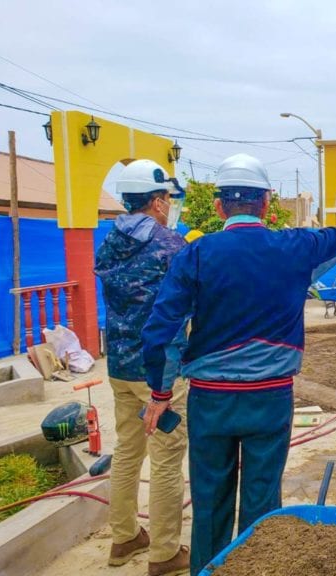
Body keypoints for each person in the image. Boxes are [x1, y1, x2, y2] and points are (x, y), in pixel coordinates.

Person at [140, 153, 336, 576]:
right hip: (271, 398)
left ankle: (207, 569)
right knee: (263, 500)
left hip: (211, 402)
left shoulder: (195, 254)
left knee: (209, 500)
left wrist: (160, 393)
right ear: (266, 204)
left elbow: (160, 330)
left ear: (219, 207)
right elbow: (335, 237)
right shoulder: (295, 247)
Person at [93, 159, 190, 575]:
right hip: (161, 371)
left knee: (128, 452)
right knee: (167, 458)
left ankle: (124, 537)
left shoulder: (109, 243)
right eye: (166, 197)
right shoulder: (171, 246)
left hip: (119, 365)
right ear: (155, 201)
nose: (169, 204)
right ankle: (165, 553)